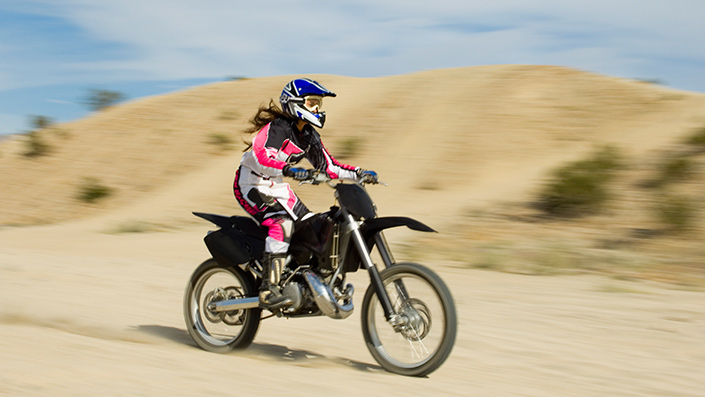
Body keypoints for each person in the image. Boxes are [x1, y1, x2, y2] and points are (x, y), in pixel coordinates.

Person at [233, 78, 378, 309]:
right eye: (312, 103)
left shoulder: (308, 135)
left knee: (314, 225)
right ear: (296, 103)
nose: (317, 109)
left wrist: (359, 174)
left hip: (278, 187)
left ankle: (302, 279)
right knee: (281, 225)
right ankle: (269, 289)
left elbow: (329, 167)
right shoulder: (277, 128)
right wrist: (289, 169)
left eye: (318, 104)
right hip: (251, 184)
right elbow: (262, 157)